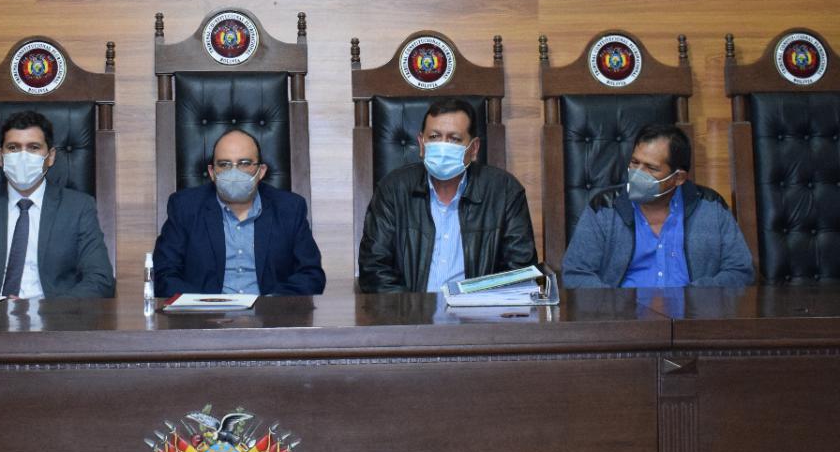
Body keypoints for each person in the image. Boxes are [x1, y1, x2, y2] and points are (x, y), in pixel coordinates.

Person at [358, 97, 537, 293]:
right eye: (434, 137)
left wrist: (478, 308)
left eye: (454, 139)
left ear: (474, 148)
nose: (443, 146)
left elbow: (519, 273)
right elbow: (374, 270)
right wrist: (414, 309)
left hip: (478, 310)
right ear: (421, 143)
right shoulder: (392, 189)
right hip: (408, 309)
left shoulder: (505, 192)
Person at [0, 110, 114, 298]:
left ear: (50, 156)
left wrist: (47, 309)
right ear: (0, 157)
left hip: (55, 313)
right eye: (13, 148)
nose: (23, 156)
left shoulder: (79, 207)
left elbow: (100, 279)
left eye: (33, 147)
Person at [561, 124, 754, 288]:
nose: (637, 173)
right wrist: (619, 305)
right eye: (635, 162)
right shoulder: (604, 208)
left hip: (694, 314)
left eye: (651, 168)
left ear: (678, 178)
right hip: (624, 315)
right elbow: (575, 274)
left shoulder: (711, 206)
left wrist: (692, 297)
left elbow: (740, 271)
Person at [153, 129, 325, 297]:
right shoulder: (185, 207)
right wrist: (207, 305)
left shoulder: (290, 208)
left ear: (261, 171)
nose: (234, 172)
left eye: (244, 163)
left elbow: (311, 276)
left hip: (270, 313)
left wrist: (270, 305)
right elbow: (164, 275)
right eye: (224, 164)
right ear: (212, 172)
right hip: (206, 313)